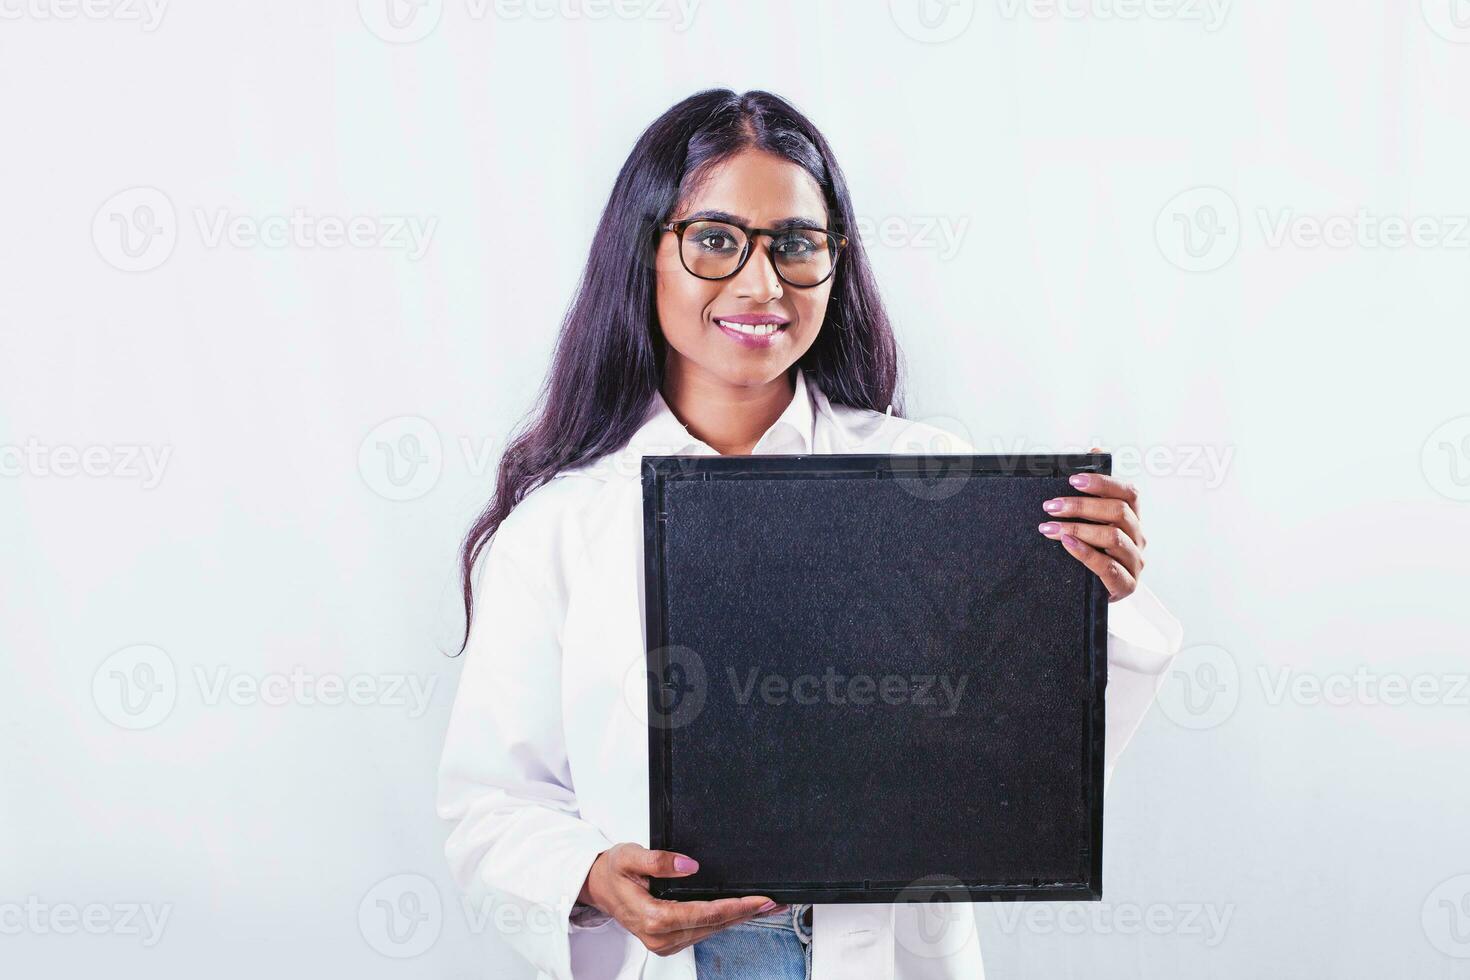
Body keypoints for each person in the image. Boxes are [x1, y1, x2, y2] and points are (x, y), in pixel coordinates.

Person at [436, 88, 1183, 980]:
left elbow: (1033, 756)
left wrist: (1100, 594)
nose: (761, 284)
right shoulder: (561, 522)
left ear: (835, 261)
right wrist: (592, 877)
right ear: (646, 255)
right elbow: (490, 806)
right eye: (715, 240)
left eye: (796, 244)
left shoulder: (930, 479)